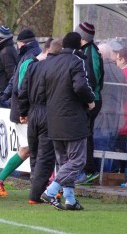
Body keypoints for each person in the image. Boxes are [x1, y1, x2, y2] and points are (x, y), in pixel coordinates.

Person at [41, 32, 95, 211]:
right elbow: (80, 86)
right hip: (72, 119)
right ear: (78, 45)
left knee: (64, 162)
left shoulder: (50, 62)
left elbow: (43, 91)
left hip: (54, 119)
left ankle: (70, 200)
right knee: (77, 161)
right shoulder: (75, 62)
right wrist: (90, 100)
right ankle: (51, 191)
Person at [0, 29, 41, 197]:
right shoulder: (31, 57)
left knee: (28, 149)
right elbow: (20, 85)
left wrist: (6, 95)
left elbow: (16, 81)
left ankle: (1, 178)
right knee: (30, 149)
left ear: (22, 43)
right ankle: (41, 186)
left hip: (21, 109)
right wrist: (22, 108)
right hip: (23, 111)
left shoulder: (26, 57)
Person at [18, 38, 62, 204]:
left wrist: (23, 112)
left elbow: (23, 91)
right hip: (48, 113)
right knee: (46, 156)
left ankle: (35, 189)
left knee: (35, 154)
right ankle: (36, 195)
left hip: (33, 112)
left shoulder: (33, 66)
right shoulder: (56, 68)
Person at [74, 22, 104, 184]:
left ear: (82, 37)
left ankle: (88, 170)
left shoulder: (90, 52)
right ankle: (86, 169)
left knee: (85, 134)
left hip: (92, 100)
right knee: (85, 133)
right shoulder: (86, 51)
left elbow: (91, 79)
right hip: (92, 99)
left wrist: (88, 100)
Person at [94, 43, 126, 172]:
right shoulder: (119, 71)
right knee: (109, 150)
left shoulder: (99, 71)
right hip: (116, 119)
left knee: (101, 150)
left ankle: (100, 178)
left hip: (101, 119)